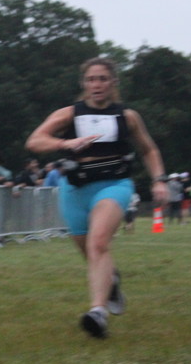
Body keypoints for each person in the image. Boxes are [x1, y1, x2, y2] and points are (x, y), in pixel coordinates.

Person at [26, 57, 168, 339]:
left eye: (103, 79)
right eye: (91, 79)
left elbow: (149, 150)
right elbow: (35, 141)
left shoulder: (127, 117)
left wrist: (159, 180)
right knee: (90, 252)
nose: (97, 85)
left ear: (113, 82)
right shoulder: (69, 114)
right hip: (75, 189)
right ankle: (111, 281)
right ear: (84, 84)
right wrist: (65, 143)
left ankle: (97, 313)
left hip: (114, 185)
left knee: (99, 242)